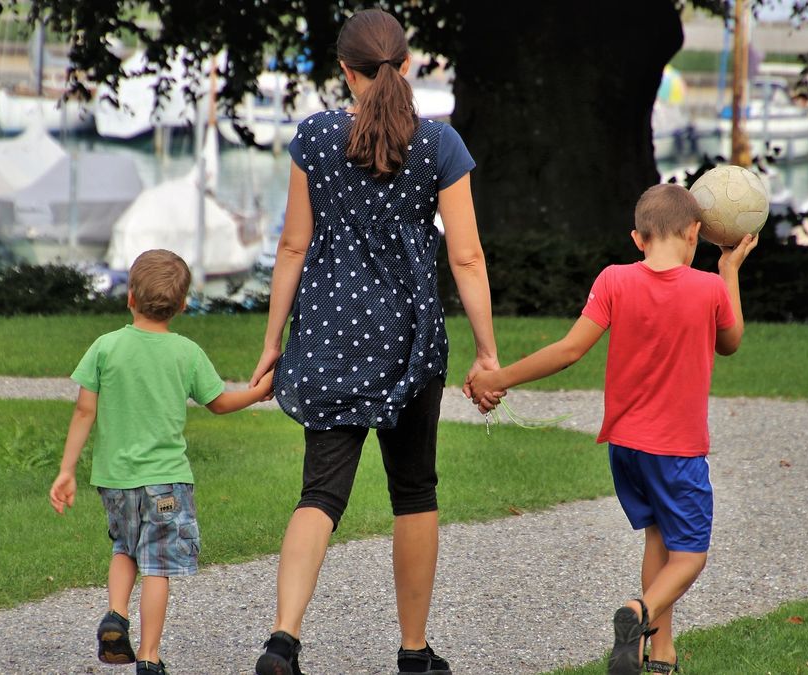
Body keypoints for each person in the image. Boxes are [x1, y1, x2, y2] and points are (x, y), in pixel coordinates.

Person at [247, 8, 498, 675]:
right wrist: (488, 352)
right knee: (413, 489)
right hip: (410, 344)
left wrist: (274, 341)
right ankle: (414, 652)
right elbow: (467, 258)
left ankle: (282, 640)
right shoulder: (440, 145)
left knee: (320, 493)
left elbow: (293, 243)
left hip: (328, 337)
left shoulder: (316, 136)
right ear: (407, 65)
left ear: (344, 70)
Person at [467, 184, 758, 675]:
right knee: (690, 558)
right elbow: (730, 343)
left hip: (624, 447)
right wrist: (728, 273)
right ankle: (637, 614)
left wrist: (498, 378)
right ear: (694, 234)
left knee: (658, 540)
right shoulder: (707, 289)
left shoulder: (613, 280)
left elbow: (568, 351)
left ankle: (660, 654)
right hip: (678, 452)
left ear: (637, 238)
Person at [49, 249, 274, 675]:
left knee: (124, 547)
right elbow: (221, 403)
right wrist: (259, 391)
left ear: (129, 297)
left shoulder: (105, 347)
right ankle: (149, 658)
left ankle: (116, 614)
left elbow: (83, 411)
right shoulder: (185, 352)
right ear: (184, 304)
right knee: (157, 566)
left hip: (115, 481)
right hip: (167, 484)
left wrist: (67, 470)